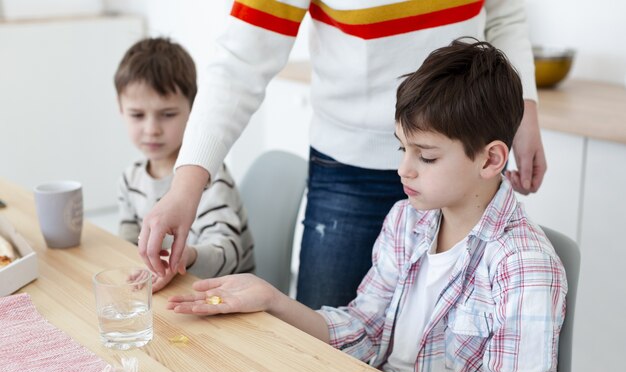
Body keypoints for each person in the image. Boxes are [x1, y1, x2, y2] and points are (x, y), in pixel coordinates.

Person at [167, 39, 567, 372]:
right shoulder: (406, 221)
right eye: (401, 148)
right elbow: (366, 331)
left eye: (425, 156)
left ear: (491, 159)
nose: (403, 169)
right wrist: (273, 300)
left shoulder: (523, 267)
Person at [139, 0, 547, 309]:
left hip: (464, 166)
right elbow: (239, 62)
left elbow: (505, 15)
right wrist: (185, 187)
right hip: (349, 171)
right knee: (330, 346)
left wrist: (524, 111)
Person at [114, 37, 255, 292]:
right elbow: (126, 244)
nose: (151, 129)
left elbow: (229, 251)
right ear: (120, 109)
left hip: (221, 297)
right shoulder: (130, 179)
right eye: (137, 115)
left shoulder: (209, 178)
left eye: (167, 115)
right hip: (170, 293)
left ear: (194, 110)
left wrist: (187, 257)